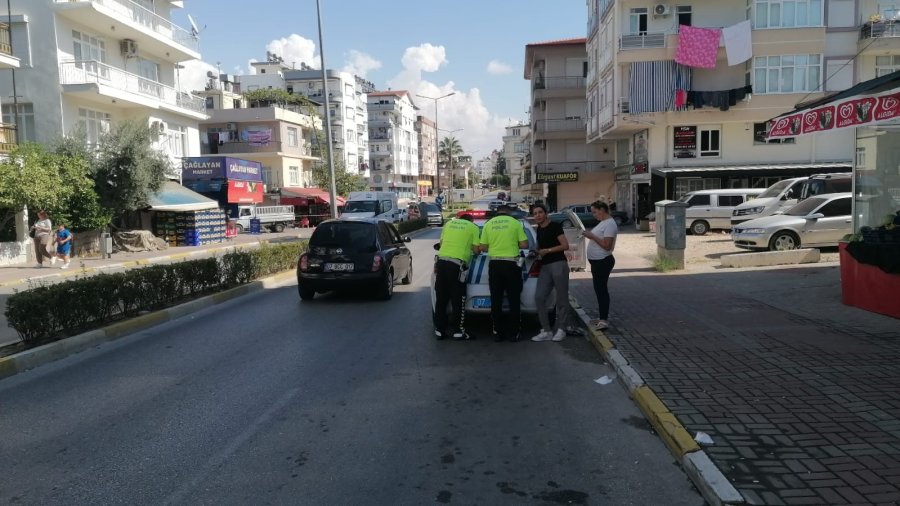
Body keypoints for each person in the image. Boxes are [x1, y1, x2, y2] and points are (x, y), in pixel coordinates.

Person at [479, 203, 528, 342]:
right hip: (512, 265)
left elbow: (482, 247)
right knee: (514, 299)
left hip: (495, 265)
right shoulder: (515, 223)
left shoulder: (488, 224)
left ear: (497, 212)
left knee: (496, 299)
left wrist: (494, 246)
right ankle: (514, 333)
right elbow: (525, 244)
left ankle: (498, 333)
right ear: (509, 213)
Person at [432, 213, 481, 340]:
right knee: (458, 299)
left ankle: (439, 329)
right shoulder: (473, 227)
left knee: (441, 298)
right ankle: (458, 331)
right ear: (471, 220)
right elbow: (476, 250)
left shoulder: (449, 224)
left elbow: (442, 243)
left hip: (441, 263)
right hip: (457, 266)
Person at [530, 204, 573, 342]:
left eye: (540, 212)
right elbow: (538, 247)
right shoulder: (538, 229)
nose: (538, 215)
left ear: (546, 213)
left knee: (561, 298)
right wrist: (533, 252)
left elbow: (565, 245)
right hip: (545, 266)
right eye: (535, 213)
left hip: (558, 264)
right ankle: (546, 330)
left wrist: (547, 251)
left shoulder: (555, 226)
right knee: (539, 297)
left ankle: (561, 329)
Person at [582, 201, 617, 331]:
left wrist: (592, 236)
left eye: (595, 212)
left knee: (601, 290)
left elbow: (607, 245)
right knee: (598, 289)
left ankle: (604, 320)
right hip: (596, 261)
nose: (594, 215)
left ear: (602, 209)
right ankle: (602, 317)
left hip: (603, 261)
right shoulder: (603, 223)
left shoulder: (610, 224)